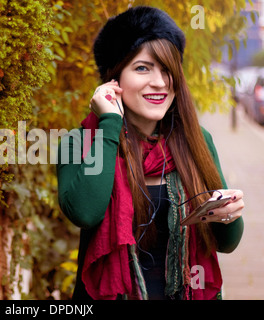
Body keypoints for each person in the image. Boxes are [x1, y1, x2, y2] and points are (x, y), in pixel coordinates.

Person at [56, 6, 244, 300]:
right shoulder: (81, 143)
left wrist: (229, 214)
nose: (160, 82)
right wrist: (109, 124)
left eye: (167, 69)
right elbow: (85, 211)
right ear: (113, 78)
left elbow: (226, 243)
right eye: (143, 68)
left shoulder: (196, 141)